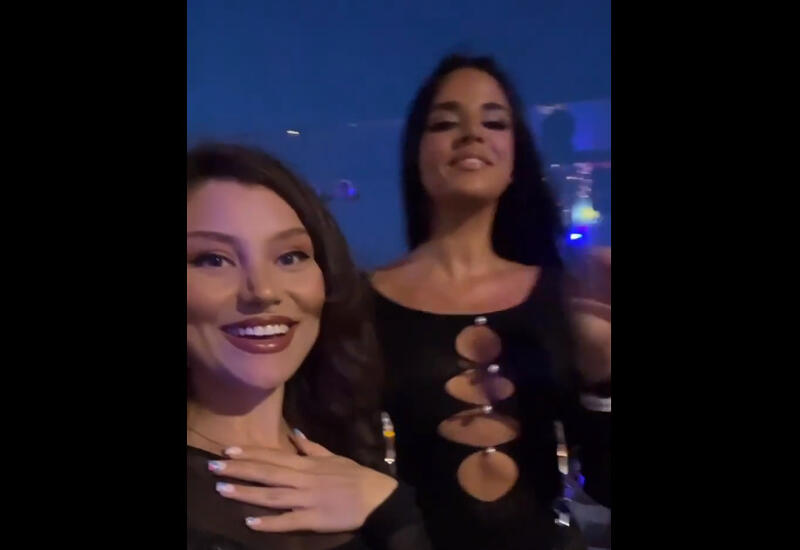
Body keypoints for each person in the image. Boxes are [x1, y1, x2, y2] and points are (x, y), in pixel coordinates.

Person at [368, 55, 611, 550]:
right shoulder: (363, 300)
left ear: (515, 158)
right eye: (445, 123)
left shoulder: (561, 295)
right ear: (416, 153)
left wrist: (603, 377)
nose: (472, 134)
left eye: (494, 122)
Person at [186, 144, 431, 550]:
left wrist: (389, 509)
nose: (263, 291)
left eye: (290, 256)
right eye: (214, 260)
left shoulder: (351, 444)